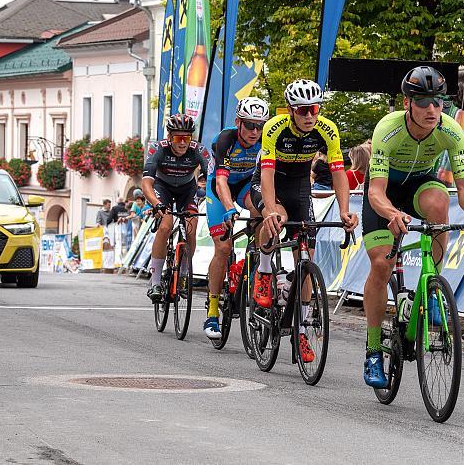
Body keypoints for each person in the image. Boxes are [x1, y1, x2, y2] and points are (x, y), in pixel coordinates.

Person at [361, 66, 464, 387]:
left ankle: (432, 287)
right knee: (381, 265)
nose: (433, 109)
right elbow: (375, 191)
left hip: (419, 184)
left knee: (439, 203)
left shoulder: (450, 130)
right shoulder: (387, 129)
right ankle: (374, 350)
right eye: (424, 103)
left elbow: (463, 184)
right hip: (386, 191)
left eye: (439, 102)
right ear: (408, 104)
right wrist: (391, 212)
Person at [249, 79, 358, 362]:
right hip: (270, 181)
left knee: (307, 256)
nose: (310, 115)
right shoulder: (275, 128)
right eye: (302, 110)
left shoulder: (327, 130)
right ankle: (263, 271)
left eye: (314, 109)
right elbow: (267, 175)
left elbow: (338, 174)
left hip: (299, 186)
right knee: (277, 219)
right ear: (290, 111)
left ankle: (303, 330)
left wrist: (344, 211)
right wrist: (271, 210)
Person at [203, 97, 269, 339]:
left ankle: (257, 267)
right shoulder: (225, 139)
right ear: (238, 123)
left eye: (259, 126)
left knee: (265, 214)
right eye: (249, 125)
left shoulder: (265, 139)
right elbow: (221, 180)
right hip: (219, 189)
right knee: (223, 248)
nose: (255, 131)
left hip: (246, 186)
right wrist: (230, 208)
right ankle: (212, 313)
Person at [142, 113, 213, 302]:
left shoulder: (199, 150)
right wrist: (156, 204)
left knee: (191, 228)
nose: (183, 143)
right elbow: (146, 184)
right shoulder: (157, 149)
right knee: (165, 226)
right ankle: (155, 282)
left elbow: (213, 180)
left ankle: (183, 274)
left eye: (187, 138)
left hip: (187, 189)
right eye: (178, 138)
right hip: (162, 188)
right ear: (169, 137)